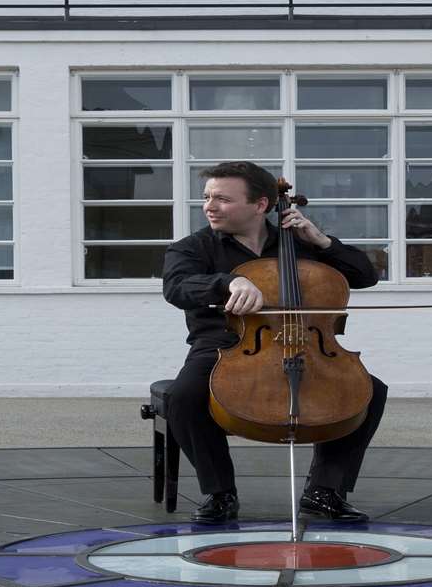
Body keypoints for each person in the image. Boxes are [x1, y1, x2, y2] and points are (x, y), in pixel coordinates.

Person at [160, 160, 388, 525]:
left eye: (223, 199)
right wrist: (227, 283)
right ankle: (220, 493)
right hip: (225, 347)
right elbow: (176, 287)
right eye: (207, 197)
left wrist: (322, 241)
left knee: (369, 391)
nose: (209, 206)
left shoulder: (300, 244)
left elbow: (365, 275)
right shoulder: (193, 248)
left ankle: (325, 492)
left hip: (306, 345)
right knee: (183, 396)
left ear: (261, 204)